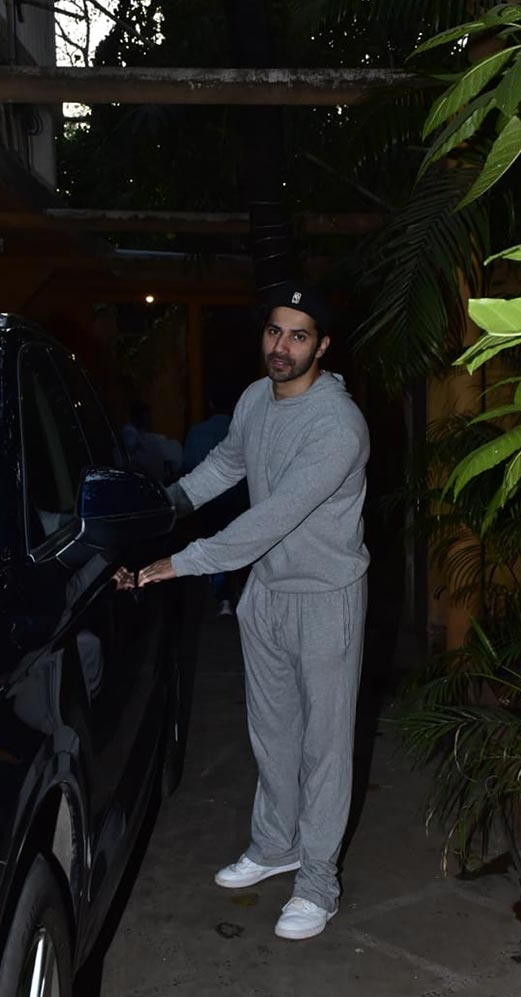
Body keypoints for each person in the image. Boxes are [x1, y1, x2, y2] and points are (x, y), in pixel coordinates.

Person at [138, 282, 370, 940]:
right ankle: (276, 847)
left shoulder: (338, 426)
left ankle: (318, 879)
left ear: (322, 346)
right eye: (274, 331)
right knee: (273, 734)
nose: (282, 346)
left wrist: (180, 560)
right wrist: (168, 505)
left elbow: (271, 517)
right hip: (264, 594)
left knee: (325, 745)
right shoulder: (253, 399)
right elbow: (228, 464)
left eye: (299, 336)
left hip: (324, 597)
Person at [182, 390, 246, 616]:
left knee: (215, 547)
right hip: (239, 501)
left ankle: (224, 599)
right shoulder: (243, 430)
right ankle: (242, 595)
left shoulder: (197, 433)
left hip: (208, 503)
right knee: (241, 547)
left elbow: (188, 467)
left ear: (210, 404)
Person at [121, 400, 183, 484]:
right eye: (143, 417)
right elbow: (131, 445)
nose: (147, 420)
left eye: (147, 417)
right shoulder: (128, 431)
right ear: (136, 417)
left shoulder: (144, 432)